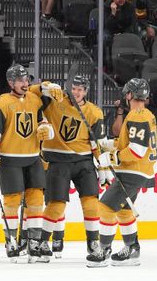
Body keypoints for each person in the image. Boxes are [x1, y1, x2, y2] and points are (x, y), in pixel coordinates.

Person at [0, 64, 54, 262]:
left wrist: (46, 128)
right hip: (10, 159)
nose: (25, 83)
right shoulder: (0, 103)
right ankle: (11, 239)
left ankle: (34, 241)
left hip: (32, 158)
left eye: (26, 80)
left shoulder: (34, 99)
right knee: (12, 201)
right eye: (20, 80)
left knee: (36, 200)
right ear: (10, 82)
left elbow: (42, 121)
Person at [39, 74, 109, 264]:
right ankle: (43, 242)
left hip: (84, 162)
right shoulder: (55, 100)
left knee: (91, 203)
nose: (77, 92)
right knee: (56, 205)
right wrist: (47, 86)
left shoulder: (94, 112)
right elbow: (36, 92)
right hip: (58, 161)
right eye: (74, 88)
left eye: (81, 89)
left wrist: (103, 166)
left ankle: (93, 243)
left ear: (86, 91)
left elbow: (98, 143)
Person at [89, 78, 157, 267]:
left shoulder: (136, 116)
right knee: (125, 210)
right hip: (141, 171)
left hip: (132, 171)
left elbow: (137, 150)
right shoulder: (146, 114)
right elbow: (130, 144)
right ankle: (132, 249)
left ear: (129, 95)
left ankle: (103, 249)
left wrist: (111, 158)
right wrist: (108, 145)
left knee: (106, 207)